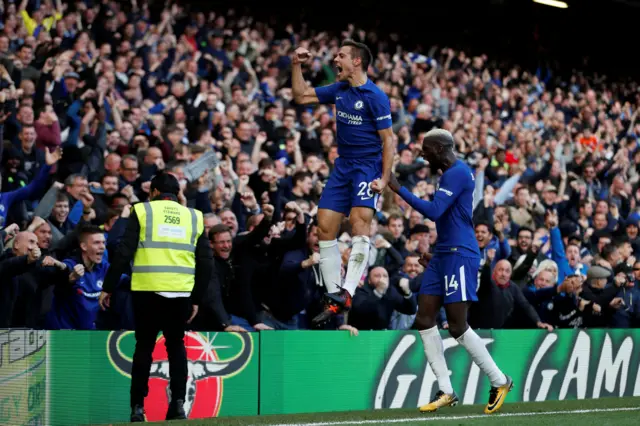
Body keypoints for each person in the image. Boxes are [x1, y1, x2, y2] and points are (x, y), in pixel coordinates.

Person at [387, 128, 513, 414]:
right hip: (445, 252)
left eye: (427, 149)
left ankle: (499, 379)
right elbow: (449, 216)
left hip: (459, 253)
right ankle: (446, 389)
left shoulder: (456, 172)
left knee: (456, 325)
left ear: (441, 149)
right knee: (424, 318)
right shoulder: (450, 174)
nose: (423, 154)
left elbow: (434, 212)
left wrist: (399, 188)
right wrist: (437, 253)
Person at [291, 39, 395, 325]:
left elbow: (389, 139)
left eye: (341, 55)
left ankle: (347, 290)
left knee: (360, 222)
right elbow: (300, 96)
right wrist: (296, 64)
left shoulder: (375, 96)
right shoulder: (339, 90)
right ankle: (334, 293)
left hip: (366, 167)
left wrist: (384, 179)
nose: (335, 59)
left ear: (357, 61)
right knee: (324, 224)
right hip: (343, 166)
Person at [99, 172, 213, 422]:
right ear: (177, 194)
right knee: (176, 347)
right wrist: (196, 298)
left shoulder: (142, 211)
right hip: (180, 292)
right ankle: (178, 405)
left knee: (144, 348)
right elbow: (206, 262)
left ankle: (138, 407)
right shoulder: (194, 216)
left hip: (146, 290)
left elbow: (123, 252)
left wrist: (107, 287)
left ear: (153, 192)